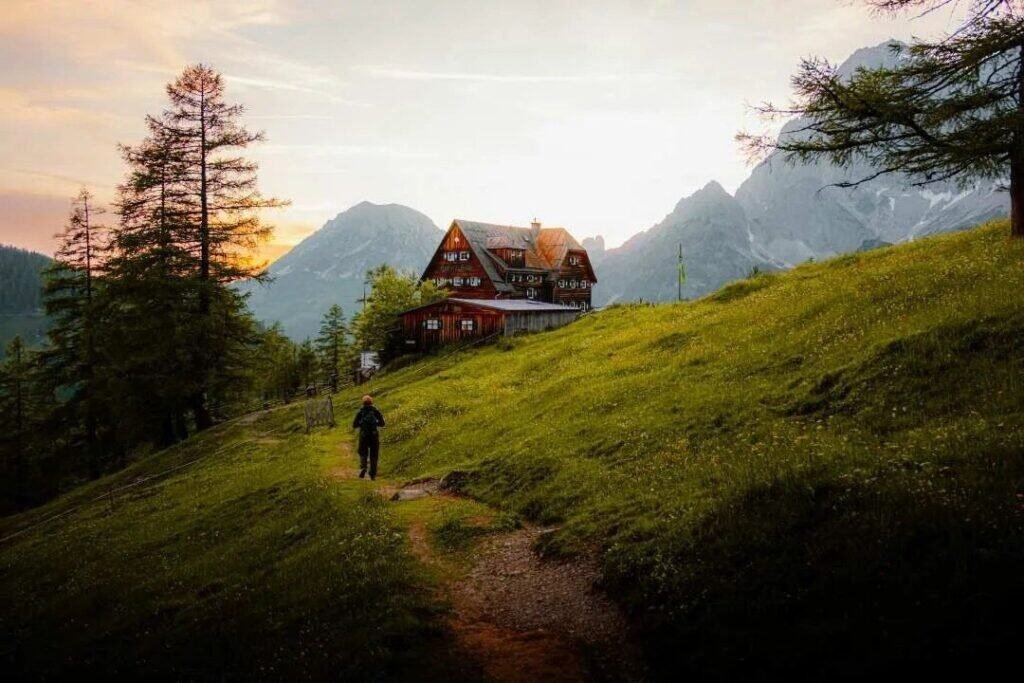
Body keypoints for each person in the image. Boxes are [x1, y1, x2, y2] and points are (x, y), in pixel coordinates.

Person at [352, 395, 385, 480]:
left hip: (363, 435)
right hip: (374, 436)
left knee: (363, 453)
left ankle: (363, 468)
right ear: (371, 402)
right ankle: (372, 474)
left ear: (363, 403)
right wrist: (375, 423)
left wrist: (361, 424)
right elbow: (382, 423)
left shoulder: (361, 411)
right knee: (374, 455)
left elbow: (354, 425)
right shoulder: (375, 411)